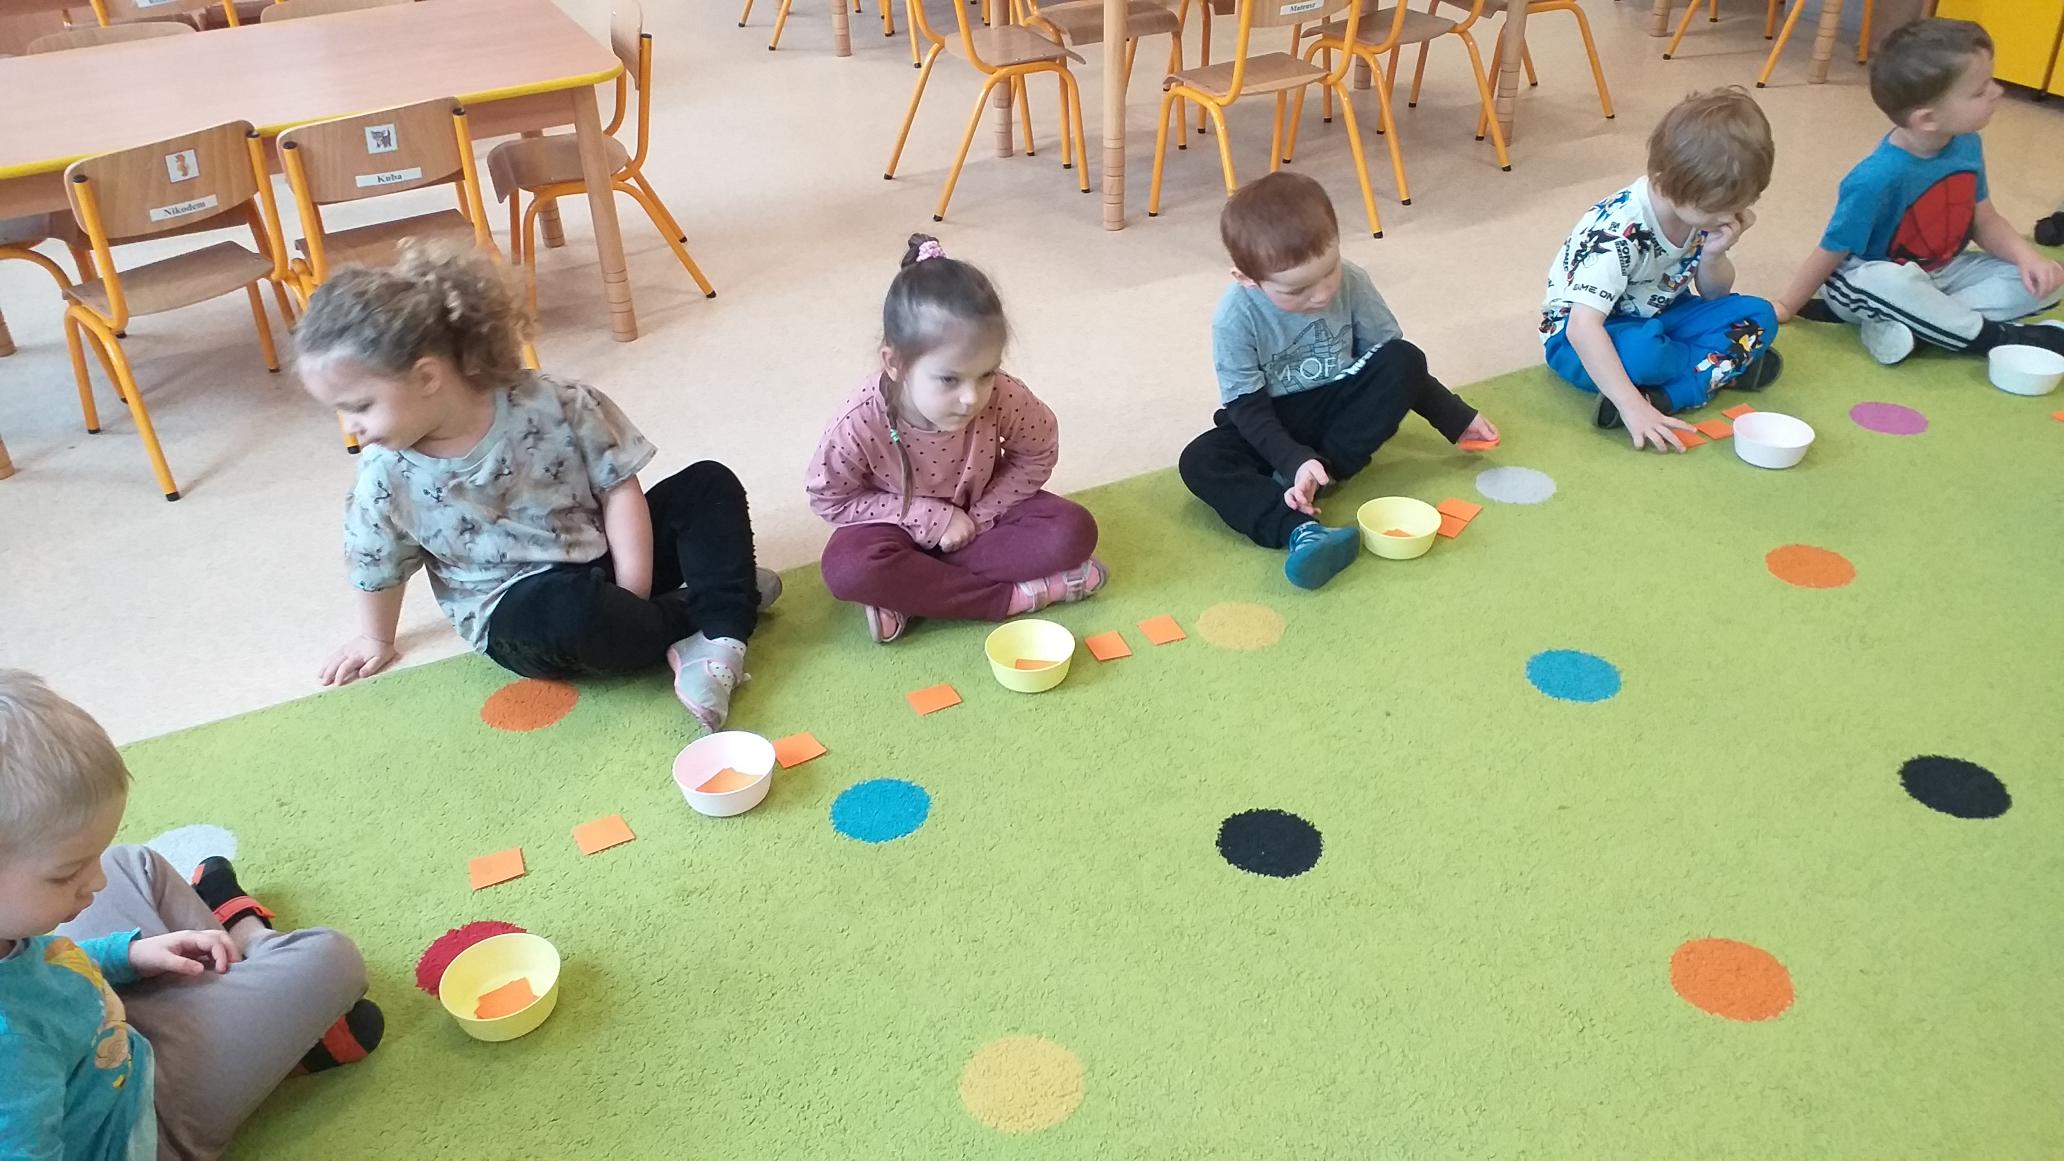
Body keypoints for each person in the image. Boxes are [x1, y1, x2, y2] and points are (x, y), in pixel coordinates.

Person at [297, 243, 775, 732]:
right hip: (518, 609)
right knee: (575, 616)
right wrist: (376, 639)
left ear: (426, 377)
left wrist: (632, 595)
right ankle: (717, 601)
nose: (351, 428)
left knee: (708, 484)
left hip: (606, 557)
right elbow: (378, 565)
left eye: (360, 406)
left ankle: (719, 628)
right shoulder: (383, 475)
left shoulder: (555, 401)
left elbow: (619, 489)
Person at [0, 669, 377, 1161]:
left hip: (98, 1037)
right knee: (330, 958)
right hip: (142, 1119)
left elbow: (43, 970)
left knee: (131, 863)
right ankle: (251, 944)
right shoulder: (11, 1055)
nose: (95, 881)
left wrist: (128, 955)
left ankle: (256, 1015)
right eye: (66, 873)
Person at [1177, 172, 1498, 590]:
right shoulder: (1234, 317)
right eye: (1296, 290)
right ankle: (1299, 529)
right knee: (1199, 460)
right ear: (1247, 278)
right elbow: (1246, 407)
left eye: (1329, 272)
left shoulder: (1353, 281)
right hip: (1271, 420)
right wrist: (1291, 459)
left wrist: (1454, 417)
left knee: (1404, 357)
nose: (1321, 294)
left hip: (1338, 408)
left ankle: (1323, 473)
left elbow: (1393, 363)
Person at [808, 235, 1105, 644]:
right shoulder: (859, 420)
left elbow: (1037, 452)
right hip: (895, 528)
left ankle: (911, 592)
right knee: (848, 570)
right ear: (895, 363)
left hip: (983, 523)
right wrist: (930, 518)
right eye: (949, 379)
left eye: (986, 374)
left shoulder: (1004, 395)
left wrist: (979, 517)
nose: (971, 398)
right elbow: (830, 498)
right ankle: (1011, 598)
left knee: (1072, 531)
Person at [1773, 19, 2064, 364]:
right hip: (1870, 278)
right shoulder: (1875, 176)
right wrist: (1787, 305)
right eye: (1979, 90)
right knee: (1887, 282)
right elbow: (1831, 250)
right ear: (1927, 119)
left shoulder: (1967, 144)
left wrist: (2027, 258)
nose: (1997, 91)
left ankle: (1920, 328)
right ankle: (1999, 337)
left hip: (1942, 274)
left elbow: (1985, 220)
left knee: (2044, 280)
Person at [1541, 87, 1783, 452]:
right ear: (1667, 181)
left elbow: (1715, 295)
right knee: (1648, 355)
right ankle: (1708, 371)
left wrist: (1714, 255)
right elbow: (1581, 328)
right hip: (1583, 336)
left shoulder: (1700, 210)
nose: (1728, 218)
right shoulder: (1618, 231)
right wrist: (1630, 406)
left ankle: (1667, 397)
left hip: (1665, 315)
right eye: (1716, 209)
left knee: (1759, 315)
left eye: (1738, 206)